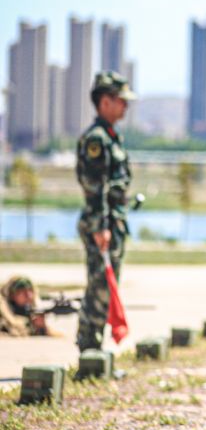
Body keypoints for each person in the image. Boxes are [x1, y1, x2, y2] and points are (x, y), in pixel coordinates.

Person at [75, 71, 135, 352]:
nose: (126, 106)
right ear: (104, 102)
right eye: (121, 100)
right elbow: (94, 187)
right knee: (99, 288)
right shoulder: (97, 140)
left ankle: (93, 350)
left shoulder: (112, 136)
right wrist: (101, 227)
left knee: (105, 287)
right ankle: (90, 352)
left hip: (113, 222)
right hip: (102, 225)